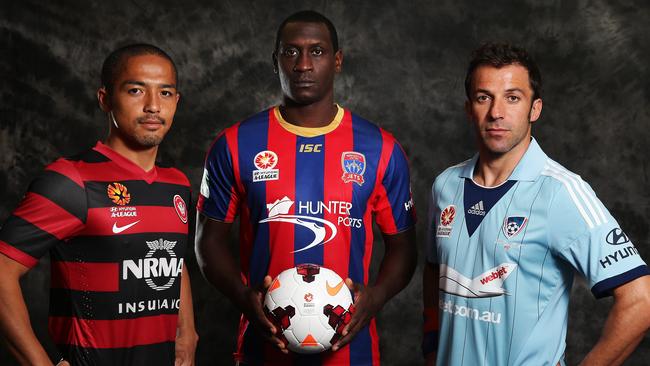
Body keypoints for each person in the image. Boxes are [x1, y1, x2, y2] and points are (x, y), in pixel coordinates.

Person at [195, 10, 416, 366]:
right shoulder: (235, 144)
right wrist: (241, 296)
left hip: (351, 353)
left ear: (337, 60)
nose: (303, 64)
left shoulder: (381, 149)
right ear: (275, 61)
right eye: (290, 52)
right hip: (262, 350)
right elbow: (208, 241)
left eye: (317, 51)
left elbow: (404, 246)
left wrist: (374, 297)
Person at [422, 43, 650, 366]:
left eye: (512, 98)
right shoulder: (445, 185)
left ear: (535, 109)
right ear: (468, 108)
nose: (496, 112)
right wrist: (432, 345)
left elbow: (641, 300)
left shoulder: (562, 192)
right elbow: (435, 269)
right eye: (483, 97)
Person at [0, 43, 198, 365]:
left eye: (165, 93)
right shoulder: (71, 180)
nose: (152, 106)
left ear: (176, 101)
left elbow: (173, 258)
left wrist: (187, 334)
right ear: (105, 99)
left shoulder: (176, 183)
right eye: (136, 90)